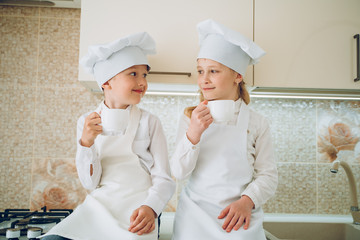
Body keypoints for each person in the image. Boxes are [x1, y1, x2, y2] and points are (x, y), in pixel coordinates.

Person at [41, 32, 175, 240]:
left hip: (138, 211)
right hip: (99, 208)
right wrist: (86, 143)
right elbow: (89, 183)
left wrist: (151, 208)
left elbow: (164, 179)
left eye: (145, 75)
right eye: (133, 74)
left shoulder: (149, 122)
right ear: (106, 82)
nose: (142, 82)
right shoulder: (86, 122)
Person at [171, 19, 278, 240]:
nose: (204, 80)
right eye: (200, 71)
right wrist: (194, 133)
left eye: (213, 71)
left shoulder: (257, 123)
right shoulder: (190, 117)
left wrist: (247, 202)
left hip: (239, 221)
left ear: (238, 76)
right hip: (194, 220)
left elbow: (268, 175)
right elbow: (178, 173)